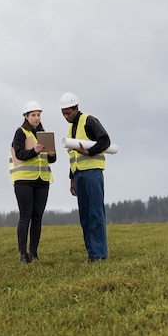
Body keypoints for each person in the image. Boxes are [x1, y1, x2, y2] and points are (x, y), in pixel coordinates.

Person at [60, 92, 110, 262]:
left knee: (96, 214)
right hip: (79, 175)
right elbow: (73, 157)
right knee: (85, 217)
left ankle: (100, 255)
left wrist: (89, 151)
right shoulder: (70, 128)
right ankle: (92, 254)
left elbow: (105, 141)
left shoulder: (89, 120)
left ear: (77, 108)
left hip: (92, 173)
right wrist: (72, 179)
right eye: (64, 113)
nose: (66, 116)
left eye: (69, 113)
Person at [9, 100, 56, 264]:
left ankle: (34, 253)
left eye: (38, 115)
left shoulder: (44, 134)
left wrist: (51, 155)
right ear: (26, 116)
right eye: (33, 115)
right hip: (24, 181)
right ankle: (23, 255)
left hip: (42, 180)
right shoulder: (20, 133)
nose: (37, 118)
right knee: (25, 217)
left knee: (37, 218)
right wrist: (34, 151)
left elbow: (52, 160)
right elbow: (20, 154)